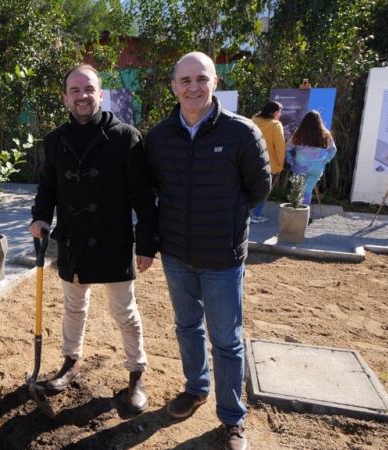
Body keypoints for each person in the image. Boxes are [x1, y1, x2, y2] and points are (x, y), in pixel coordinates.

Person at [145, 52, 270, 450]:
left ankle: (232, 419)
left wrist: (227, 222)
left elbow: (259, 188)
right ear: (173, 87)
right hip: (177, 255)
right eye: (185, 80)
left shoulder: (241, 132)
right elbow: (152, 189)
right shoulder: (160, 137)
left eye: (201, 78)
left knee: (227, 341)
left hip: (222, 257)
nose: (193, 87)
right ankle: (195, 388)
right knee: (186, 327)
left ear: (215, 82)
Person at [30, 64, 158, 414]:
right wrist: (40, 217)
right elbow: (48, 188)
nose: (82, 96)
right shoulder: (55, 140)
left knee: (124, 311)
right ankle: (71, 362)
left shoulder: (126, 137)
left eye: (89, 89)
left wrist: (146, 244)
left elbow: (143, 197)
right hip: (73, 241)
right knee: (73, 307)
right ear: (65, 97)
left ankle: (136, 373)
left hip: (114, 242)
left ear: (100, 94)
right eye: (75, 90)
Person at [285, 110, 337, 208]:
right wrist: (324, 161)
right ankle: (304, 215)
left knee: (297, 191)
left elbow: (287, 149)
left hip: (299, 167)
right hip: (316, 168)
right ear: (319, 121)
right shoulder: (326, 134)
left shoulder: (298, 134)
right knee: (307, 191)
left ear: (304, 121)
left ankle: (296, 215)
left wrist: (291, 161)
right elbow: (333, 150)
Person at [250, 101, 286, 223]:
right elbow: (280, 147)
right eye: (280, 112)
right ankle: (256, 215)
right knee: (264, 191)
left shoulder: (253, 120)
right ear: (276, 113)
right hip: (268, 165)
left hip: (250, 162)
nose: (280, 114)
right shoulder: (276, 125)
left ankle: (246, 213)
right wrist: (281, 164)